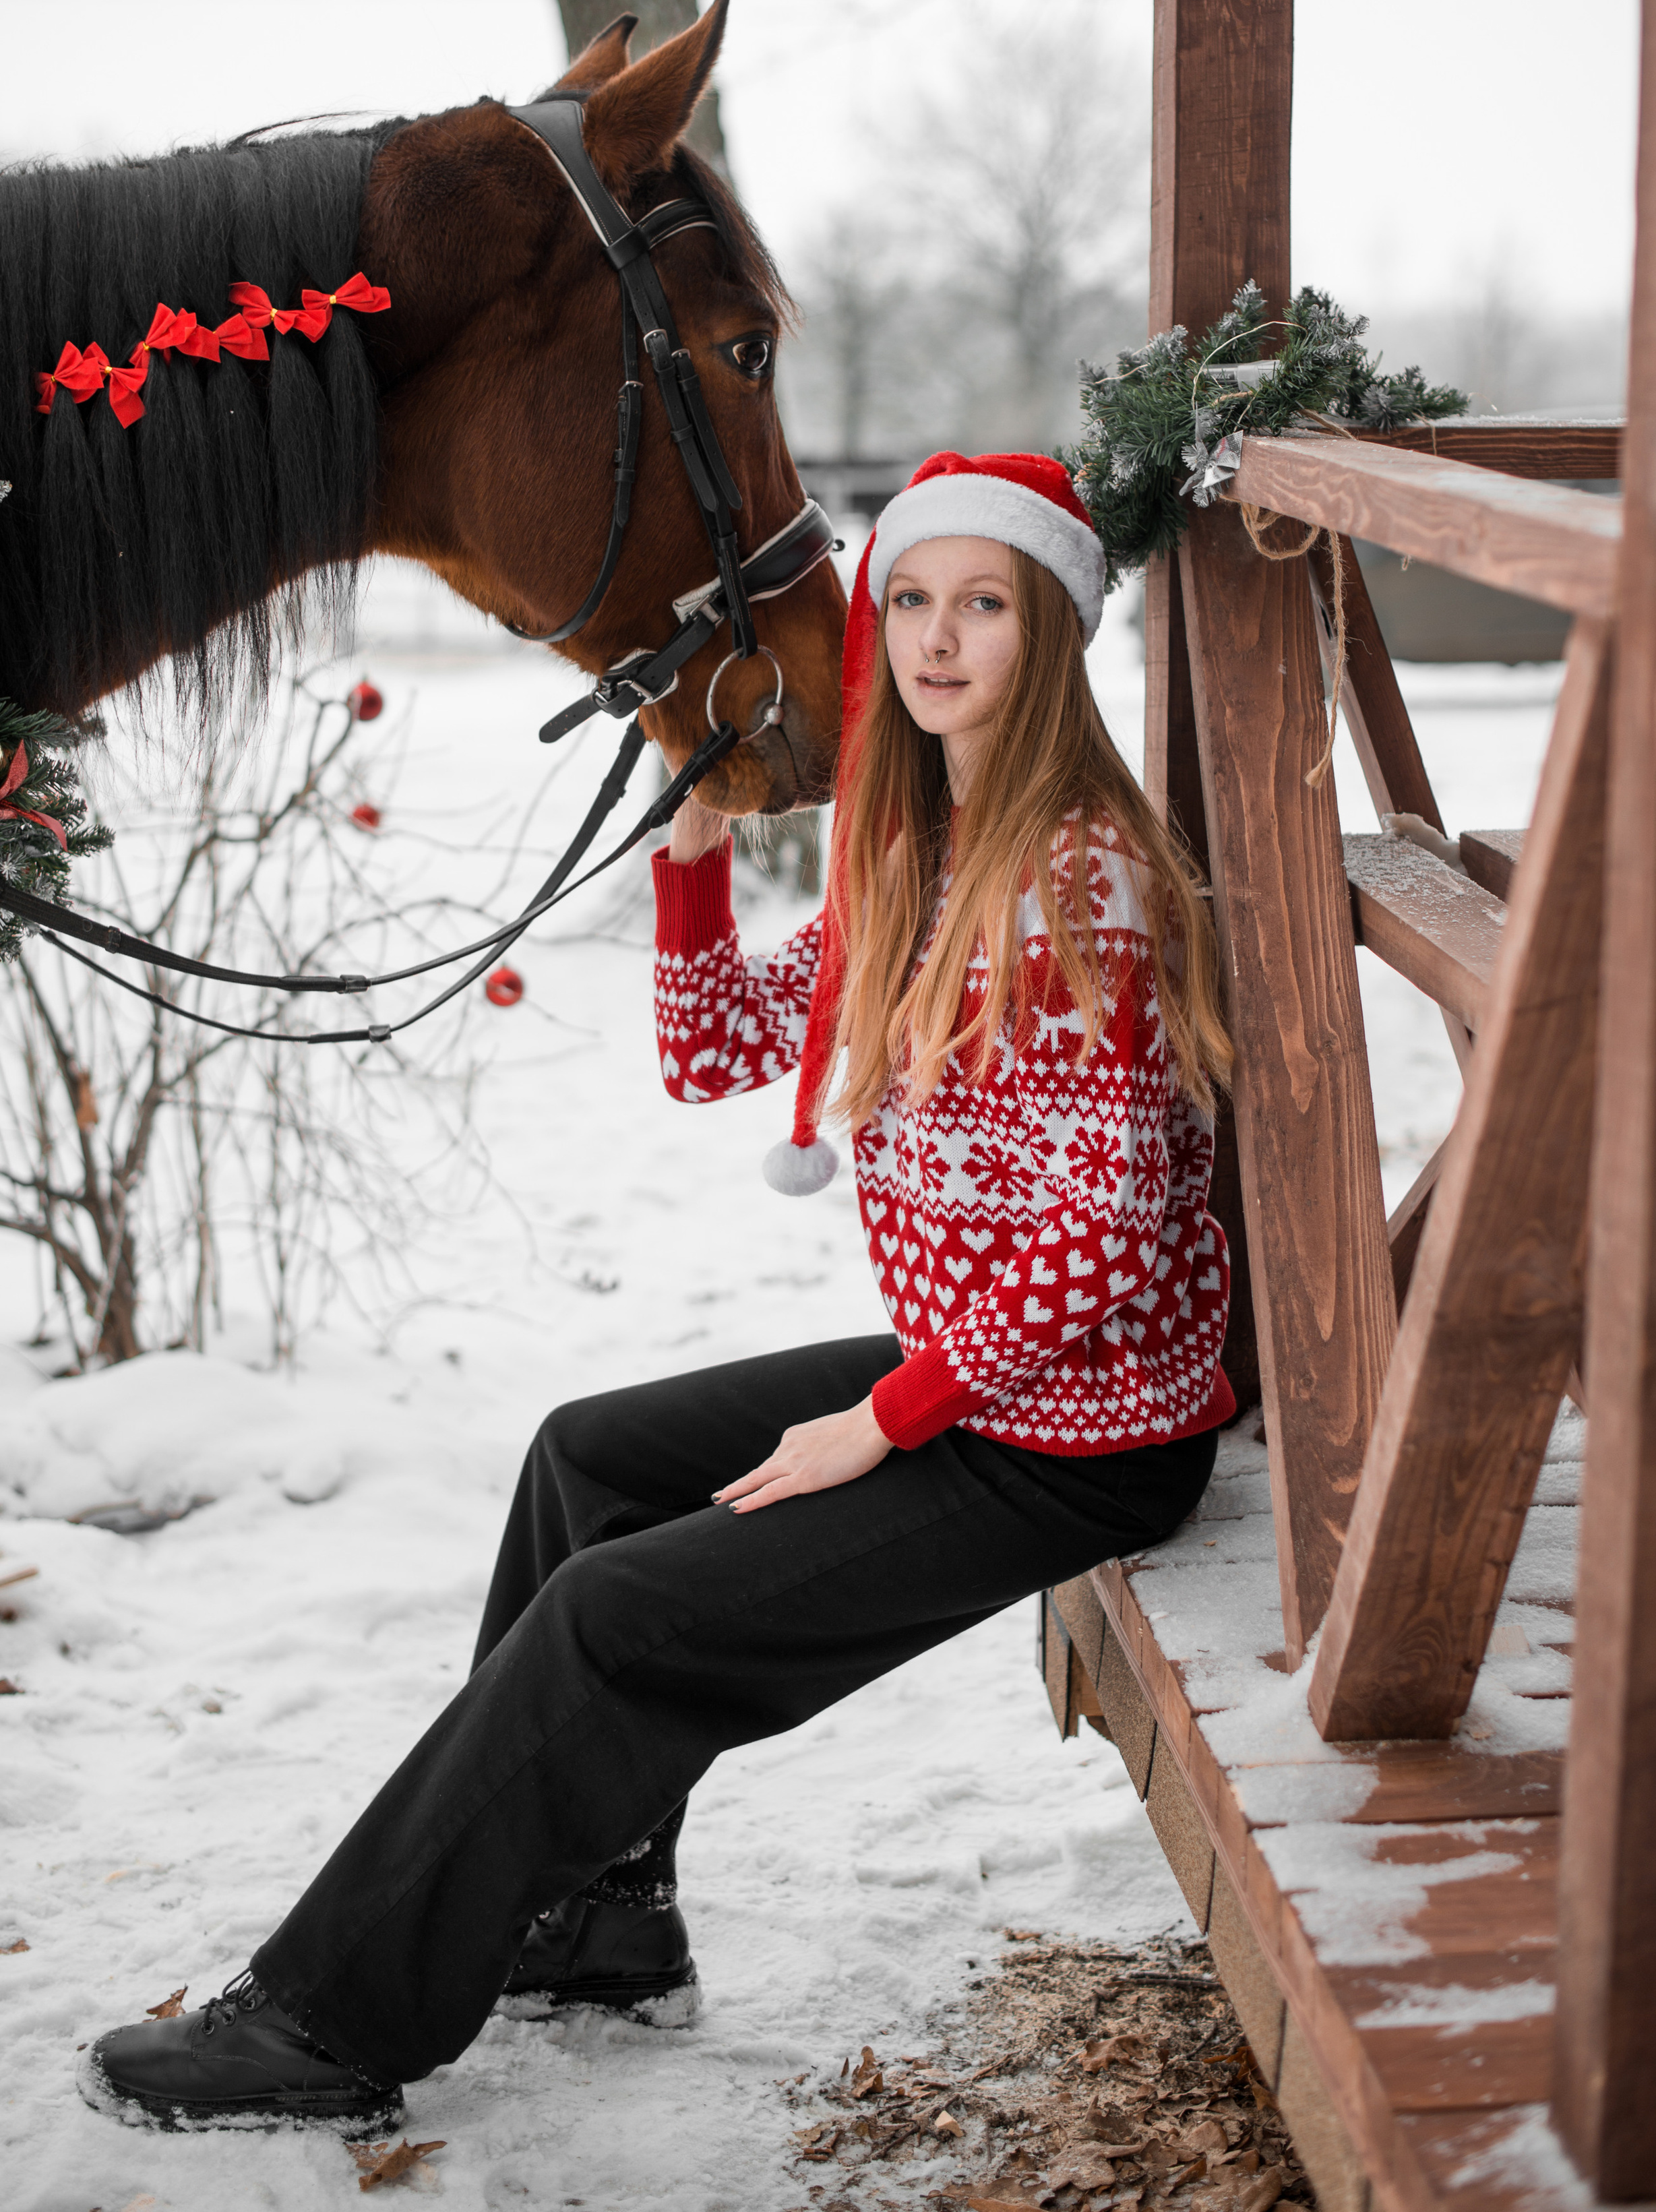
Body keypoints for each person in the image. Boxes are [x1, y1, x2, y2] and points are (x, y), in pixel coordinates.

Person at [82, 450, 1235, 2135]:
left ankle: (335, 2017)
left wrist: (878, 1423)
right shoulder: (911, 852)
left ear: (1048, 628)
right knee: (586, 1455)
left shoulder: (1072, 879)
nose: (933, 639)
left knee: (612, 1618)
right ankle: (594, 1912)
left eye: (983, 603)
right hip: (985, 1369)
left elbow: (1109, 1227)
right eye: (907, 599)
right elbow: (710, 1047)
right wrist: (690, 843)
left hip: (1081, 1426)